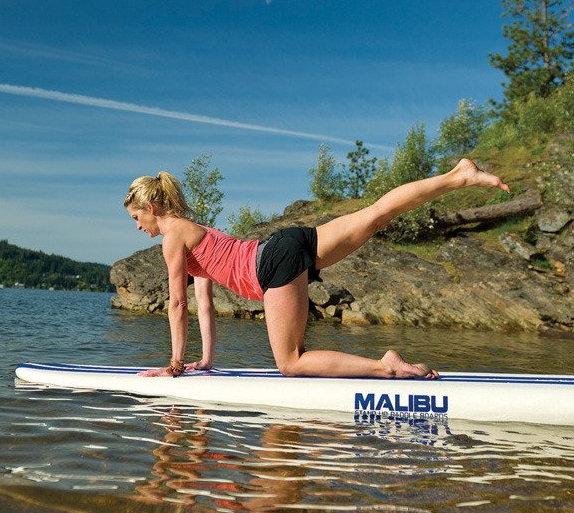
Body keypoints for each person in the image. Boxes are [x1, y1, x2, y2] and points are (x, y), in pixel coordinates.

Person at [124, 157, 510, 380]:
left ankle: (385, 367)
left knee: (289, 363)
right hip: (285, 243)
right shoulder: (194, 231)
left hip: (272, 265)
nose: (137, 225)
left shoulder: (172, 236)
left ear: (152, 208)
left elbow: (178, 305)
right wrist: (206, 361)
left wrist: (174, 366)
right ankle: (459, 175)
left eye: (136, 216)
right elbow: (202, 302)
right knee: (375, 214)